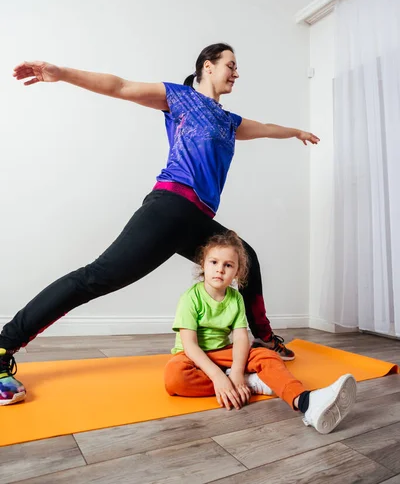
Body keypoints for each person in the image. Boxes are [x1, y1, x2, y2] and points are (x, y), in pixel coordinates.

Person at [0, 43, 320, 406]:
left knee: (245, 256)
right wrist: (62, 74)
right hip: (168, 208)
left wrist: (295, 131)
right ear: (207, 66)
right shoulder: (180, 98)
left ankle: (261, 337)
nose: (236, 72)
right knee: (94, 278)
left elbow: (263, 128)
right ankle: (4, 344)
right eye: (231, 65)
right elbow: (119, 86)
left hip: (197, 217)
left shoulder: (228, 121)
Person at [164, 231, 356, 434]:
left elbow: (240, 338)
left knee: (267, 356)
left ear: (238, 272)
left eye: (228, 265)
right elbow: (190, 346)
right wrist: (218, 378)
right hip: (192, 357)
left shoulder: (236, 298)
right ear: (203, 264)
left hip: (223, 352)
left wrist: (237, 371)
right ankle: (252, 382)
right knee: (174, 376)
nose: (220, 270)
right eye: (214, 262)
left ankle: (306, 402)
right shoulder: (190, 298)